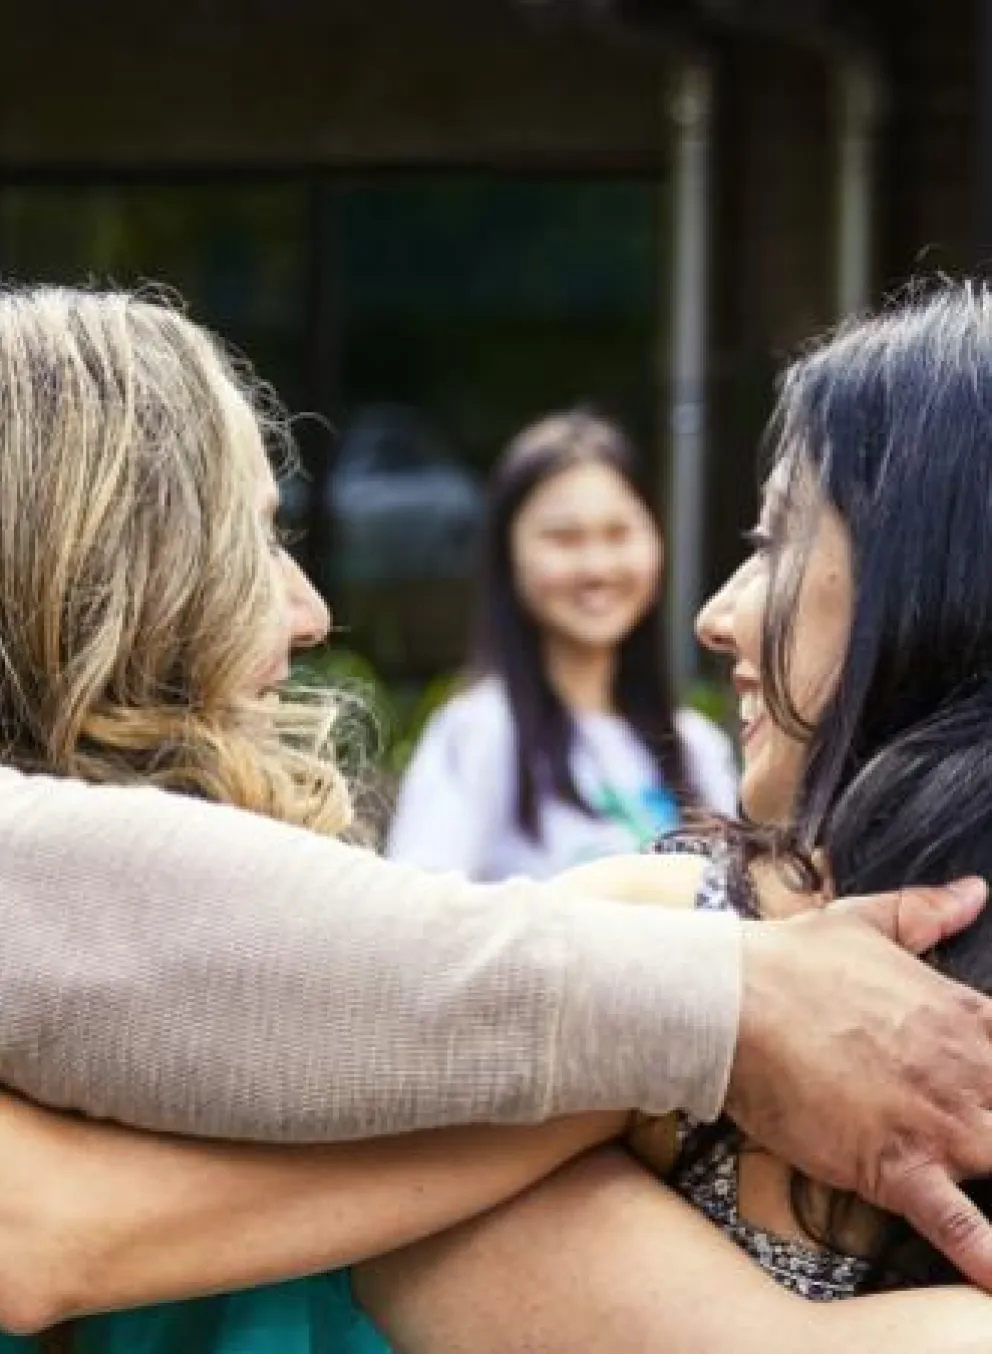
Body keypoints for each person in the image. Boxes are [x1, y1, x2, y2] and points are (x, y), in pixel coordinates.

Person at [0, 283, 984, 1346]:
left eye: (773, 539)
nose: (310, 610)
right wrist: (721, 1010)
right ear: (96, 585)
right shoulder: (544, 812)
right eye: (253, 538)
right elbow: (44, 1222)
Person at [348, 280, 992, 1350]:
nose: (717, 612)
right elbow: (410, 968)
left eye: (777, 537)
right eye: (563, 534)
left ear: (927, 586)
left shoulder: (696, 764)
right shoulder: (494, 751)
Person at [386, 410, 737, 879]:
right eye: (564, 538)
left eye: (618, 533)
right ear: (508, 554)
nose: (597, 565)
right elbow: (420, 915)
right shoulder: (479, 734)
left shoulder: (697, 747)